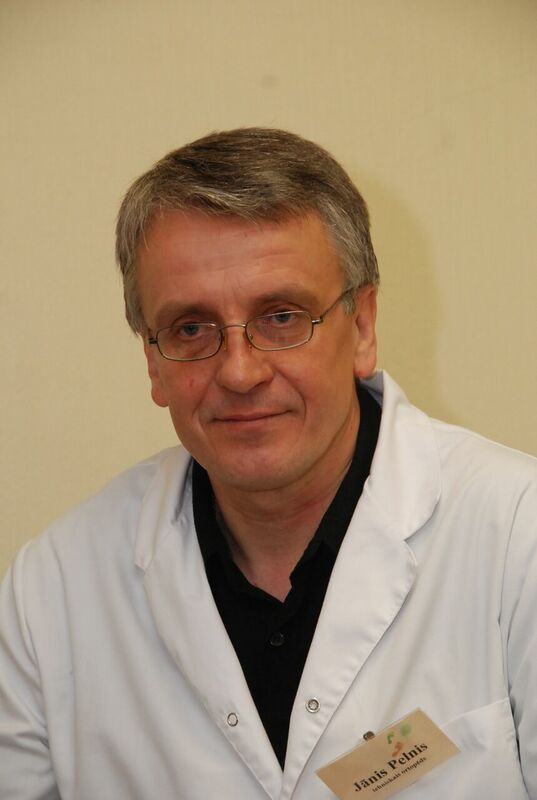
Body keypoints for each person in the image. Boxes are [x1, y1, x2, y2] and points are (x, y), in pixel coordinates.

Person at [1, 128, 536, 800]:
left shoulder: (517, 536)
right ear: (152, 362)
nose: (240, 371)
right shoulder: (53, 590)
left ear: (362, 326)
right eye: (190, 328)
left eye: (282, 316)